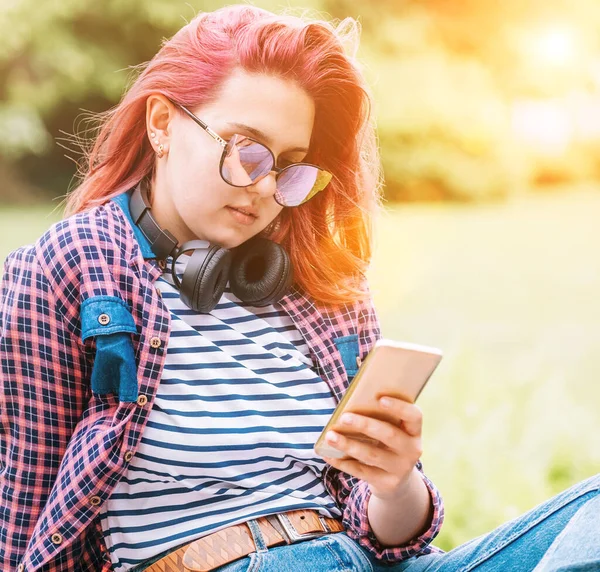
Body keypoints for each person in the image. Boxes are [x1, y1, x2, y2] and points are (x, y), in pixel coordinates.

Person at [0, 5, 597, 572]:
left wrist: (395, 482)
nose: (265, 187)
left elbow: (388, 535)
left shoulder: (319, 287)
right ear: (162, 124)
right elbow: (21, 504)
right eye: (247, 151)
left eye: (291, 165)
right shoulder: (67, 269)